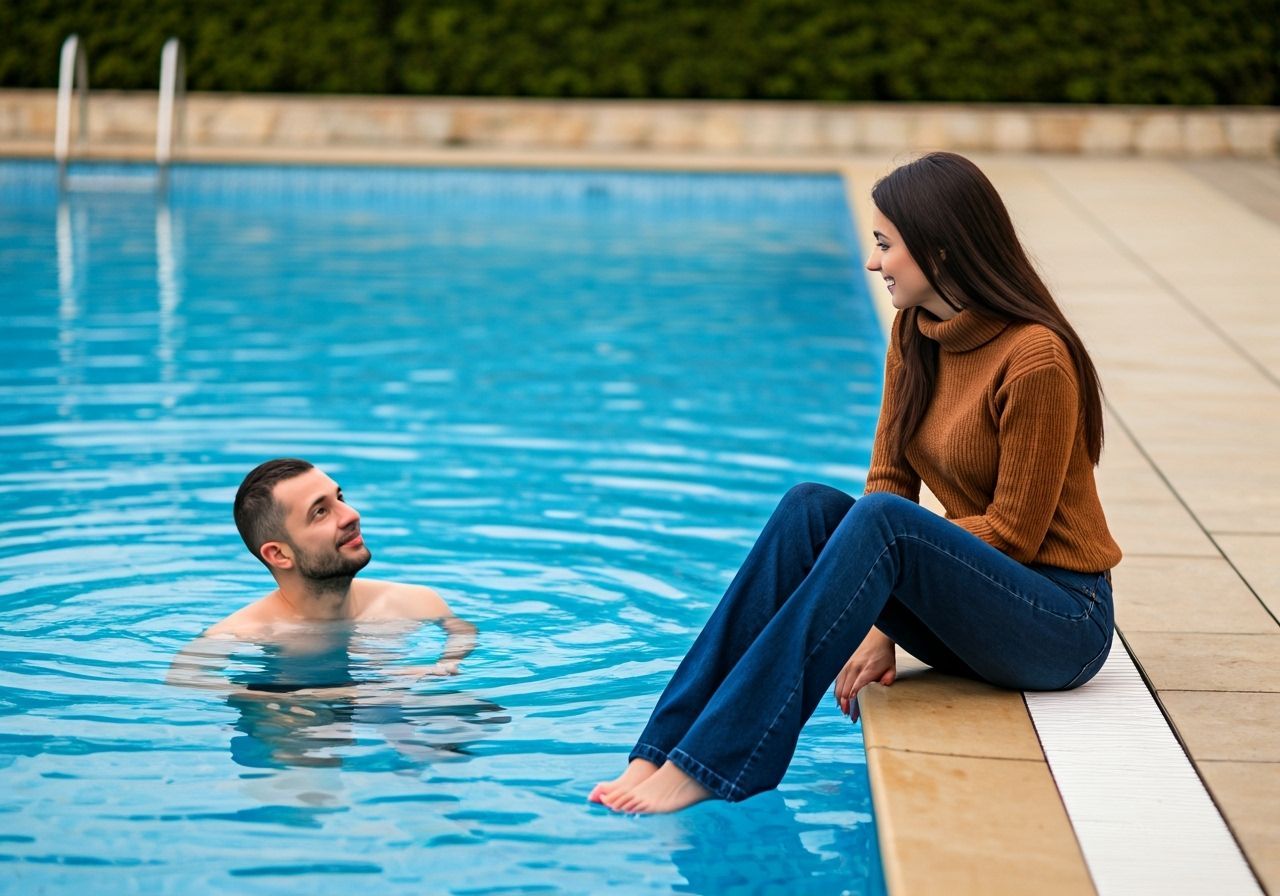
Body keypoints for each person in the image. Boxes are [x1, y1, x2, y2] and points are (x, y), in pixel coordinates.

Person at [590, 152, 1121, 815]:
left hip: (1059, 623)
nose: (874, 264)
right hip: (976, 618)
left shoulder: (1035, 356)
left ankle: (714, 763)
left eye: (885, 244)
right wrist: (874, 608)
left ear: (942, 251)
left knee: (874, 526)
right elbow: (889, 482)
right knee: (810, 507)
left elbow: (1012, 534)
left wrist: (881, 579)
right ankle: (662, 747)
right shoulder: (915, 334)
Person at [169, 458, 476, 687]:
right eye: (320, 512)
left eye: (339, 499)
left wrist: (443, 665)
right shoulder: (244, 633)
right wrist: (340, 695)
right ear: (278, 554)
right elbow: (184, 680)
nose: (351, 515)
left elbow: (461, 631)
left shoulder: (415, 601)